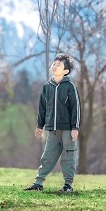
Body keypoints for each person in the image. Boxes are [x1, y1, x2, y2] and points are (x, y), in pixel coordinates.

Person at [24, 53, 81, 193]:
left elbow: (76, 108)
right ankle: (38, 183)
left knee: (68, 156)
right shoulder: (47, 87)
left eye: (59, 65)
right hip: (52, 130)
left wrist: (75, 127)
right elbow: (42, 108)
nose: (55, 66)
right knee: (47, 156)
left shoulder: (69, 87)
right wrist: (39, 125)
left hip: (68, 129)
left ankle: (68, 185)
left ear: (66, 71)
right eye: (54, 64)